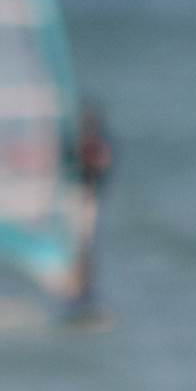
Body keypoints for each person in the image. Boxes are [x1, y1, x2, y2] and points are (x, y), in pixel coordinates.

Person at [62, 102, 115, 324]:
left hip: (87, 197)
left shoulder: (99, 144)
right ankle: (76, 296)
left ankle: (83, 295)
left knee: (84, 247)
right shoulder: (76, 143)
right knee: (79, 247)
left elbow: (102, 168)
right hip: (75, 197)